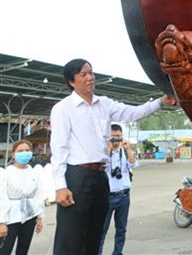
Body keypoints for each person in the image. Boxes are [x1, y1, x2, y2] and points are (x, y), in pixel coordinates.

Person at [50, 58, 176, 255]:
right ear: (71, 82)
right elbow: (59, 148)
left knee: (95, 234)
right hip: (77, 177)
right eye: (83, 74)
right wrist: (60, 186)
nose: (90, 77)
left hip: (101, 176)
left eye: (91, 72)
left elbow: (133, 113)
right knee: (71, 237)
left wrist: (160, 102)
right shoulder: (63, 109)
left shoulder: (104, 104)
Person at [98, 124, 138, 255]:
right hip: (107, 196)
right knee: (101, 229)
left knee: (121, 229)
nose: (115, 139)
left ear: (122, 137)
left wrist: (128, 149)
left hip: (124, 196)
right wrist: (108, 151)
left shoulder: (125, 152)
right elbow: (100, 168)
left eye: (118, 137)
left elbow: (134, 164)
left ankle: (117, 252)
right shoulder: (102, 153)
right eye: (113, 137)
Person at [0, 140, 44, 255]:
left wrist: (39, 217)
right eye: (20, 151)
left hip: (29, 215)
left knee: (23, 249)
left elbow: (38, 195)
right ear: (13, 154)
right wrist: (1, 222)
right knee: (5, 249)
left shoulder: (34, 173)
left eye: (27, 150)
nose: (24, 153)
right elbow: (2, 196)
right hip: (11, 216)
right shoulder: (6, 173)